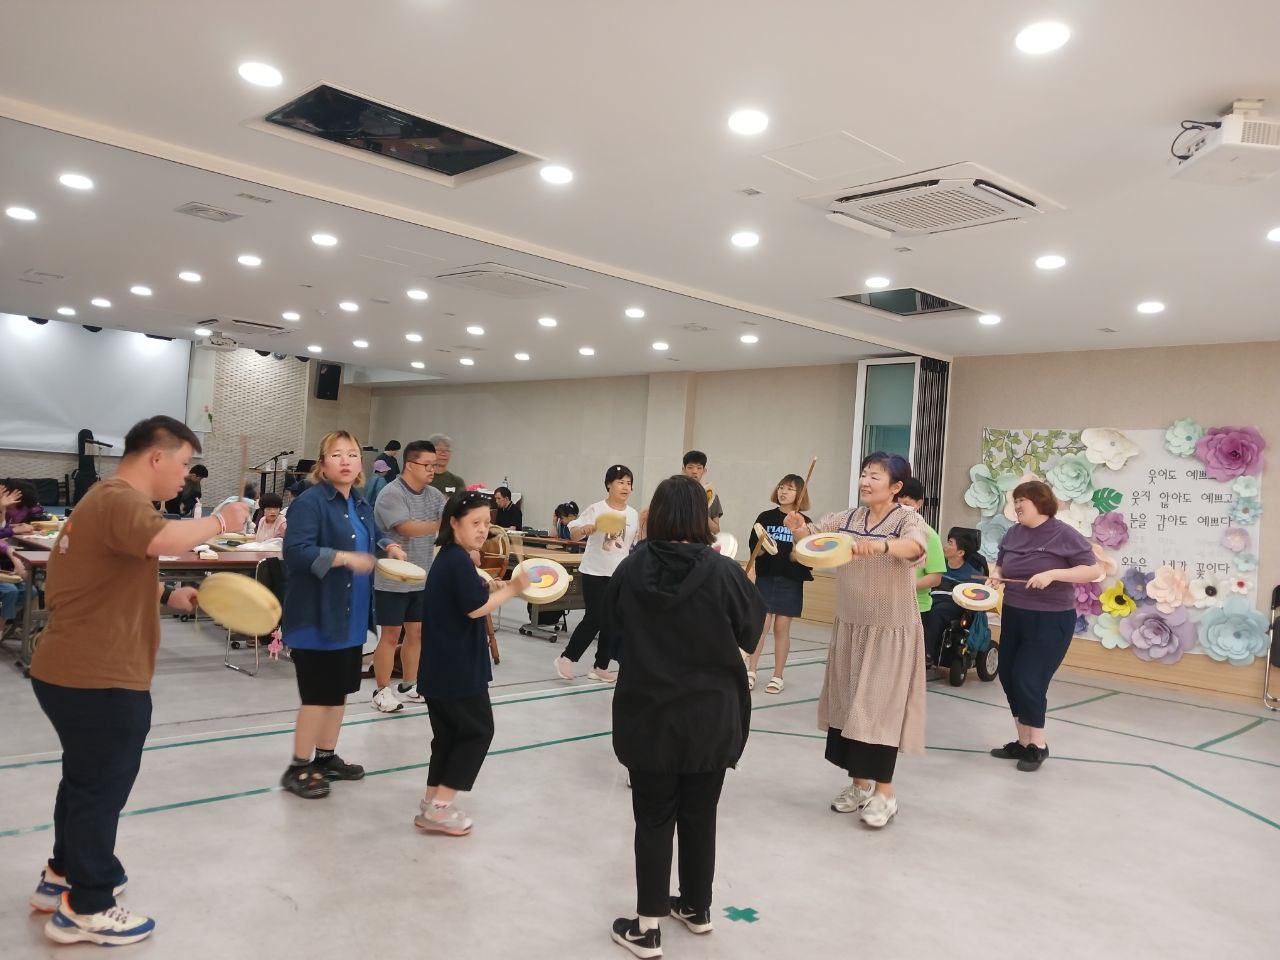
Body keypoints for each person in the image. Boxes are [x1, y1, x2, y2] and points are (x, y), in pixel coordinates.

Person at [26, 415, 250, 945]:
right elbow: (164, 540)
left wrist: (168, 595)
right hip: (97, 675)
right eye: (185, 464)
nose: (186, 477)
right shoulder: (122, 502)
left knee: (84, 780)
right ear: (156, 457)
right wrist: (224, 521)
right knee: (100, 789)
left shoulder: (105, 503)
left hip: (72, 668)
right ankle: (89, 905)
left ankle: (62, 874)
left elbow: (113, 569)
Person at [607, 475, 765, 956]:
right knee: (701, 813)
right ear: (702, 517)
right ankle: (697, 907)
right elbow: (751, 633)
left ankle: (648, 925)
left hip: (649, 711)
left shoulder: (631, 570)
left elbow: (611, 637)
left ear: (657, 514)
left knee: (654, 817)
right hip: (711, 716)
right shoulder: (724, 572)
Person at [783, 452, 928, 829]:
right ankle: (859, 785)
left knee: (878, 709)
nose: (865, 481)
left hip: (890, 629)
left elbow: (914, 548)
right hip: (851, 626)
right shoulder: (845, 518)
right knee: (850, 706)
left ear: (896, 487)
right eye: (864, 474)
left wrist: (881, 546)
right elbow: (808, 549)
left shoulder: (907, 519)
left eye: (875, 477)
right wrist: (799, 528)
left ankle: (885, 793)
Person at [279, 431, 406, 798]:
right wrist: (344, 558)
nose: (346, 461)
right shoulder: (310, 502)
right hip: (317, 616)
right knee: (317, 696)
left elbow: (374, 531)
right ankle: (298, 768)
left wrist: (389, 544)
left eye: (352, 454)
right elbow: (297, 552)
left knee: (338, 694)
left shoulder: (361, 502)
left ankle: (325, 757)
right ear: (323, 463)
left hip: (350, 618)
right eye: (337, 455)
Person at [414, 491, 530, 835]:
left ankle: (432, 801)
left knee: (448, 736)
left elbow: (470, 595)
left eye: (487, 523)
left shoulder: (453, 558)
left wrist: (493, 584)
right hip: (457, 669)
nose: (483, 530)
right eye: (475, 523)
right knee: (478, 731)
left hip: (441, 666)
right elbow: (474, 608)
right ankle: (440, 807)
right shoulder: (456, 561)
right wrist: (514, 589)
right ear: (453, 523)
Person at [988, 480, 1101, 772]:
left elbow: (1093, 569)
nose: (1017, 505)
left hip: (1050, 618)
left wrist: (1052, 574)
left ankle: (1038, 745)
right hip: (1014, 613)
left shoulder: (1062, 533)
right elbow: (1001, 563)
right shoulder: (1013, 532)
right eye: (1015, 500)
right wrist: (997, 576)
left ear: (1040, 502)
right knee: (1009, 676)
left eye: (1022, 500)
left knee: (1029, 678)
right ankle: (1023, 741)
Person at [370, 441, 446, 713]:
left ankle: (409, 684)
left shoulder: (435, 495)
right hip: (393, 578)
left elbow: (450, 520)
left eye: (435, 465)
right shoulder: (391, 493)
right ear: (410, 465)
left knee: (417, 632)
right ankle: (381, 690)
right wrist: (444, 525)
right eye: (428, 465)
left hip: (422, 578)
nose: (433, 470)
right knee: (391, 634)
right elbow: (407, 528)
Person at [554, 465, 639, 683]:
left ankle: (600, 666)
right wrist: (584, 530)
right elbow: (572, 533)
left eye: (628, 483)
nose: (625, 487)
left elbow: (633, 544)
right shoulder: (596, 509)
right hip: (594, 572)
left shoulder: (633, 514)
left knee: (612, 621)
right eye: (620, 482)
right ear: (609, 484)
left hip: (619, 574)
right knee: (595, 617)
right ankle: (566, 658)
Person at [745, 474, 813, 694]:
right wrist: (763, 547)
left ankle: (778, 675)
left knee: (782, 629)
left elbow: (805, 556)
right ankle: (751, 671)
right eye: (781, 487)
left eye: (790, 489)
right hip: (766, 579)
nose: (783, 492)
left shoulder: (804, 522)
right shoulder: (765, 517)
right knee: (760, 627)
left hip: (790, 581)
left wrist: (797, 552)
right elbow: (756, 548)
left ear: (800, 494)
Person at [894, 478, 947, 661]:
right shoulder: (889, 532)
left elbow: (935, 578)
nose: (901, 509)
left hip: (916, 608)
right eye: (897, 503)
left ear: (918, 504)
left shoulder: (928, 535)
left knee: (907, 662)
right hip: (887, 604)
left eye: (906, 504)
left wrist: (906, 586)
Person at [921, 528, 988, 665]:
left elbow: (979, 597)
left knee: (935, 613)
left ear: (960, 552)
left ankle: (926, 654)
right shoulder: (939, 566)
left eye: (950, 543)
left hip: (954, 605)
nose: (945, 546)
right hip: (933, 599)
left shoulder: (973, 575)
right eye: (947, 541)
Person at [682, 450, 722, 534]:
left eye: (699, 468)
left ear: (704, 471)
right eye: (690, 467)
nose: (694, 471)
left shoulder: (711, 495)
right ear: (684, 470)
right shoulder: (676, 493)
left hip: (701, 544)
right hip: (679, 544)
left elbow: (716, 530)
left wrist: (701, 511)